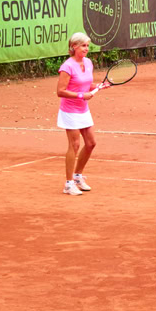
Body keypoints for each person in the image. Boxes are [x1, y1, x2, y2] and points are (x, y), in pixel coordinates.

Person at [56, 32, 100, 196]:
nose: (86, 49)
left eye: (87, 46)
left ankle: (77, 176)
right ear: (74, 46)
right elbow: (60, 91)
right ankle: (68, 184)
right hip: (70, 111)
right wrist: (81, 95)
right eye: (83, 46)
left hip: (83, 110)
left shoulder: (88, 63)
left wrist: (99, 85)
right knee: (74, 145)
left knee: (91, 143)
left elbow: (86, 85)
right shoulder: (67, 66)